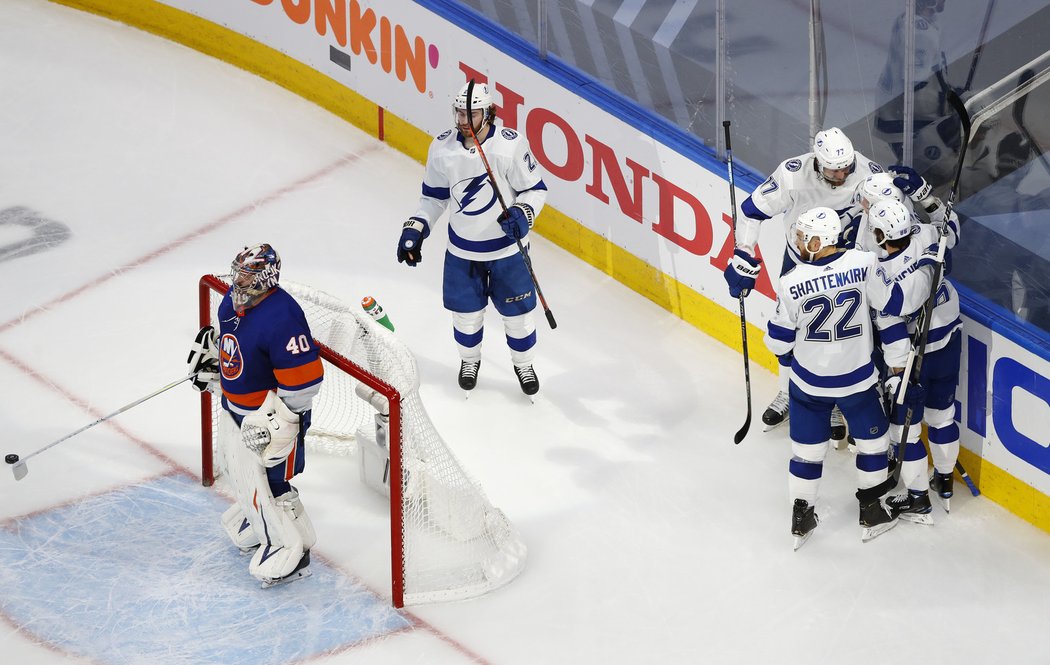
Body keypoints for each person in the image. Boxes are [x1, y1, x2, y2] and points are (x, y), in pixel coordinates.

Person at [764, 207, 935, 549]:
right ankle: (871, 509)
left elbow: (777, 341)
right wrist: (930, 266)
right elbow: (892, 303)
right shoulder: (863, 264)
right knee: (874, 447)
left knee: (806, 455)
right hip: (857, 383)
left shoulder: (790, 282)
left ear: (817, 240)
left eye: (802, 236)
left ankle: (802, 515)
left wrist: (789, 350)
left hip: (808, 385)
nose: (796, 240)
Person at [725, 127, 884, 436]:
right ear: (816, 161)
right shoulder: (793, 174)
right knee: (788, 334)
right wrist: (743, 250)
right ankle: (787, 392)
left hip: (847, 270)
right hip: (799, 264)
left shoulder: (866, 172)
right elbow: (750, 212)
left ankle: (835, 405)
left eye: (845, 167)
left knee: (842, 336)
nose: (840, 174)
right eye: (832, 169)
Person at [397, 80, 549, 398]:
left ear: (488, 114)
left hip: (507, 251)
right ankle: (469, 361)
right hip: (463, 252)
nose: (464, 121)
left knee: (519, 318)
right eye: (460, 114)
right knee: (465, 317)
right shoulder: (442, 149)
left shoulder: (509, 145)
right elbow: (433, 199)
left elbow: (535, 189)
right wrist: (416, 227)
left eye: (472, 114)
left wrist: (523, 214)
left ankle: (524, 364)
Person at [187, 243, 323, 586]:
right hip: (235, 411)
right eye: (238, 272)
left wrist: (284, 423)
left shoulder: (283, 316)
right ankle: (258, 519)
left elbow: (305, 379)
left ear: (266, 278)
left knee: (273, 483)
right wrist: (214, 366)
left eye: (247, 275)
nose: (238, 281)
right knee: (238, 472)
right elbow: (233, 348)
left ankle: (293, 550)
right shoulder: (230, 303)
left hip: (268, 420)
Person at [868, 194, 963, 514]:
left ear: (881, 235)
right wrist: (929, 198)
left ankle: (918, 498)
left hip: (914, 359)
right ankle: (945, 480)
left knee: (903, 432)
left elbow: (893, 326)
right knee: (942, 416)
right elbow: (951, 227)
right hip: (949, 342)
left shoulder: (881, 277)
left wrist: (896, 377)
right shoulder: (926, 234)